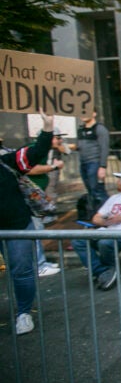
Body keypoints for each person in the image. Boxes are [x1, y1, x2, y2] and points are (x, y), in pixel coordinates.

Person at [0, 111, 54, 335]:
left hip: (17, 225)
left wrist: (48, 127)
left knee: (21, 271)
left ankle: (23, 313)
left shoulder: (6, 159)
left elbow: (36, 152)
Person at [72, 172, 121, 291]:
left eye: (120, 179)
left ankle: (108, 270)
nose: (117, 182)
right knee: (78, 241)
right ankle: (102, 271)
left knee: (104, 242)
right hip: (108, 231)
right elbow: (96, 218)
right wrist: (106, 222)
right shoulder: (114, 198)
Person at [26, 127, 69, 276]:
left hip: (35, 196)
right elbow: (29, 169)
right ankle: (38, 265)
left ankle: (40, 262)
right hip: (28, 199)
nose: (60, 141)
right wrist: (53, 166)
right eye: (57, 138)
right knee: (34, 230)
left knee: (37, 229)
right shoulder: (34, 150)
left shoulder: (43, 150)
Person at [75, 110, 110, 211]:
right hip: (83, 164)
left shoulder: (100, 128)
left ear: (94, 113)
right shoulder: (80, 130)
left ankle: (107, 213)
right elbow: (79, 146)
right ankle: (96, 215)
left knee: (98, 191)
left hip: (95, 163)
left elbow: (104, 148)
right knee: (90, 191)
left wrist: (102, 166)